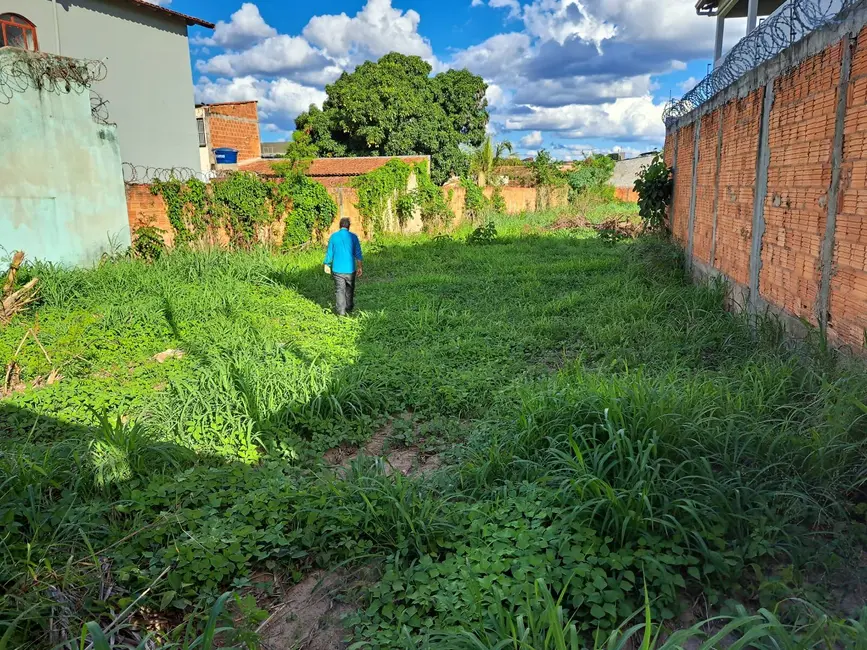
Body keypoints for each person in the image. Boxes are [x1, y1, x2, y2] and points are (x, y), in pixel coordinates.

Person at [323, 217, 363, 316]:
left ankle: (341, 312)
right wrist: (359, 267)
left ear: (340, 225)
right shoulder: (353, 237)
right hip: (350, 270)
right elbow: (358, 253)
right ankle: (349, 308)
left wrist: (327, 264)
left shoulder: (333, 237)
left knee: (339, 290)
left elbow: (330, 253)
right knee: (350, 288)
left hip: (337, 270)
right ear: (349, 226)